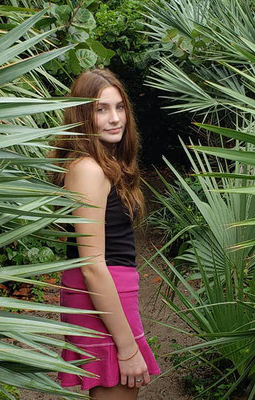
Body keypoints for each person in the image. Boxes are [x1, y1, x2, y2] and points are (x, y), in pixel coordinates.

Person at [51, 68, 160, 399]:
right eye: (101, 110)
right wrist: (126, 348)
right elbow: (92, 265)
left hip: (111, 292)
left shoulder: (105, 164)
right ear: (83, 115)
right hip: (101, 293)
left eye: (119, 107)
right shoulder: (87, 169)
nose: (115, 119)